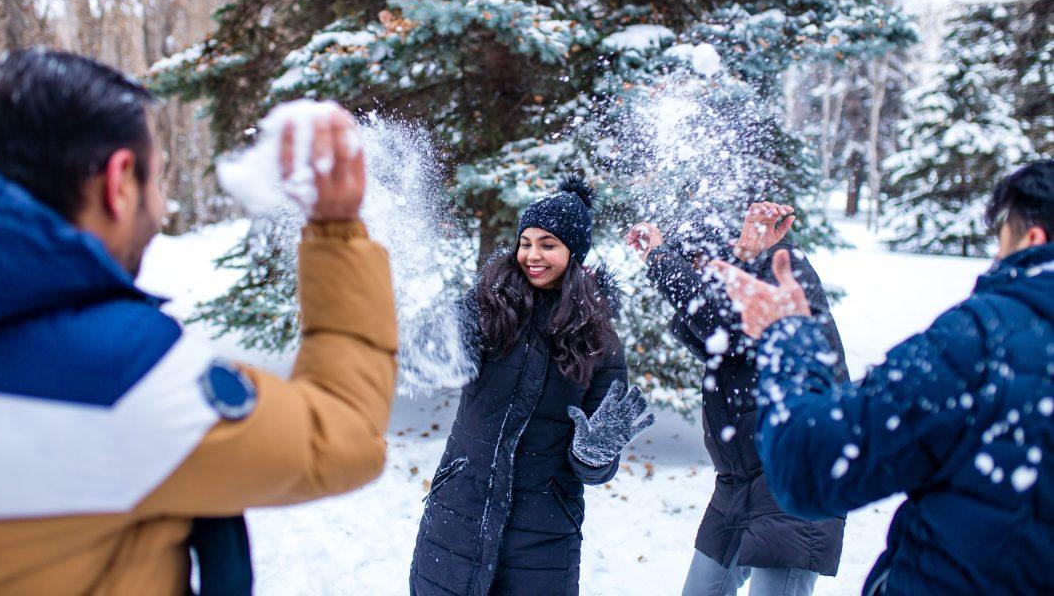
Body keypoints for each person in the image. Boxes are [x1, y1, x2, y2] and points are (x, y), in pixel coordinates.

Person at [0, 49, 398, 595]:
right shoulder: (113, 379)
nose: (162, 208)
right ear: (119, 181)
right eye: (159, 179)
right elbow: (342, 434)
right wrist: (337, 230)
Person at [715, 160, 1054, 595]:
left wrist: (789, 338)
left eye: (1002, 239)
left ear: (1033, 238)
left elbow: (809, 469)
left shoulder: (984, 341)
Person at [410, 177, 655, 596]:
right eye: (526, 242)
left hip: (543, 533)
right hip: (459, 515)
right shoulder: (488, 306)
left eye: (548, 244)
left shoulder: (599, 341)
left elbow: (595, 469)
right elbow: (426, 362)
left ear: (573, 253)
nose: (532, 255)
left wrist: (595, 453)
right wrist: (430, 344)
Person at [625, 203, 848, 596]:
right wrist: (658, 259)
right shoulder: (730, 292)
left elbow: (720, 321)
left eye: (698, 261)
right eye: (688, 264)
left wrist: (660, 259)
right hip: (738, 483)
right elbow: (714, 332)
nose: (696, 274)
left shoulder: (781, 266)